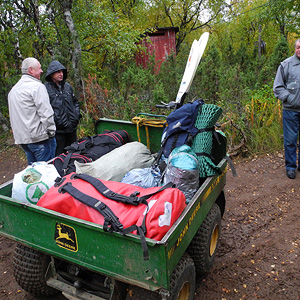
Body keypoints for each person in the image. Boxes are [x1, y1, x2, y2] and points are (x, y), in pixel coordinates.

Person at [8, 57, 56, 165]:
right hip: (40, 139)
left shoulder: (13, 91)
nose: (42, 71)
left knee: (34, 175)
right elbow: (46, 114)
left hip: (23, 140)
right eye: (39, 68)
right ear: (31, 70)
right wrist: (51, 132)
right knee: (47, 173)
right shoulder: (37, 87)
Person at [273, 38, 300, 179]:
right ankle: (290, 167)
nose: (299, 50)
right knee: (290, 140)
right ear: (295, 48)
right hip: (291, 110)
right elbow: (277, 88)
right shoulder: (286, 65)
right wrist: (290, 99)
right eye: (298, 47)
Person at [44, 60, 81, 156]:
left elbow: (75, 102)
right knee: (60, 157)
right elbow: (44, 109)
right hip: (58, 132)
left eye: (62, 72)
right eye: (58, 72)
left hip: (72, 129)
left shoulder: (68, 87)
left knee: (74, 155)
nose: (61, 74)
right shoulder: (45, 89)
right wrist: (56, 120)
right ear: (51, 74)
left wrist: (76, 116)